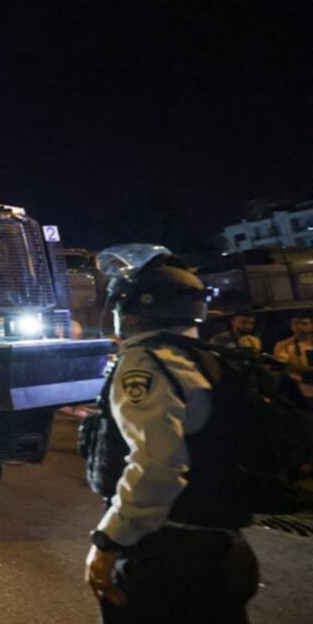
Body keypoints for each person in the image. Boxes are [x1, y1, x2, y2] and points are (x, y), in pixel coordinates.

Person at [86, 246, 258, 624]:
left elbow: (157, 466)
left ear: (135, 307)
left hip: (167, 558)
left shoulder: (145, 362)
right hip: (226, 550)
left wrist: (109, 542)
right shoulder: (204, 358)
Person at [272, 315, 313, 400]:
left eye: (304, 324)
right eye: (296, 323)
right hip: (297, 391)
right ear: (291, 326)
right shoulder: (283, 345)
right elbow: (283, 366)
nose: (299, 326)